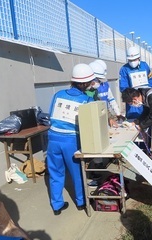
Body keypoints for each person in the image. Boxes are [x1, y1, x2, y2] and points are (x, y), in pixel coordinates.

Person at [47, 63, 96, 215]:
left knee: (55, 172)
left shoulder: (58, 94)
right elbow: (89, 126)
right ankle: (81, 202)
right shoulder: (86, 101)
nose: (91, 85)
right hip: (71, 140)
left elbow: (50, 115)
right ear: (84, 83)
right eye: (89, 82)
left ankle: (57, 205)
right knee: (76, 172)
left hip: (53, 138)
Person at [119, 46, 152, 152]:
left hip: (146, 100)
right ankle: (136, 151)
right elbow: (123, 87)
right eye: (130, 60)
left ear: (139, 58)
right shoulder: (124, 69)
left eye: (134, 59)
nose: (132, 62)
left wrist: (148, 94)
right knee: (134, 127)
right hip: (133, 104)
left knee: (147, 123)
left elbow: (151, 82)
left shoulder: (145, 66)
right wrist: (134, 93)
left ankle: (147, 149)